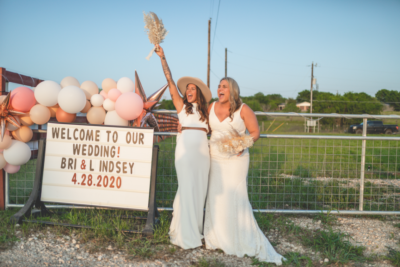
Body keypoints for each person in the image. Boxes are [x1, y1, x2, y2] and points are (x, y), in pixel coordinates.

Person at [204, 77, 285, 265]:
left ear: (233, 90)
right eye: (218, 86)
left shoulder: (244, 109)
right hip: (215, 158)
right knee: (216, 195)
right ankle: (216, 237)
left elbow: (255, 132)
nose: (219, 89)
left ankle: (239, 237)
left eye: (224, 86)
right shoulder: (211, 107)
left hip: (236, 159)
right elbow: (206, 129)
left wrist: (242, 144)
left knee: (235, 196)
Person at [155, 44, 212, 249]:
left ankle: (193, 229)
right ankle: (186, 235)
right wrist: (163, 58)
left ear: (198, 93)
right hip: (185, 154)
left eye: (192, 88)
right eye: (187, 89)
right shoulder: (181, 108)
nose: (188, 91)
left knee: (197, 191)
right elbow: (170, 82)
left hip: (203, 156)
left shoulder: (208, 112)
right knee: (187, 188)